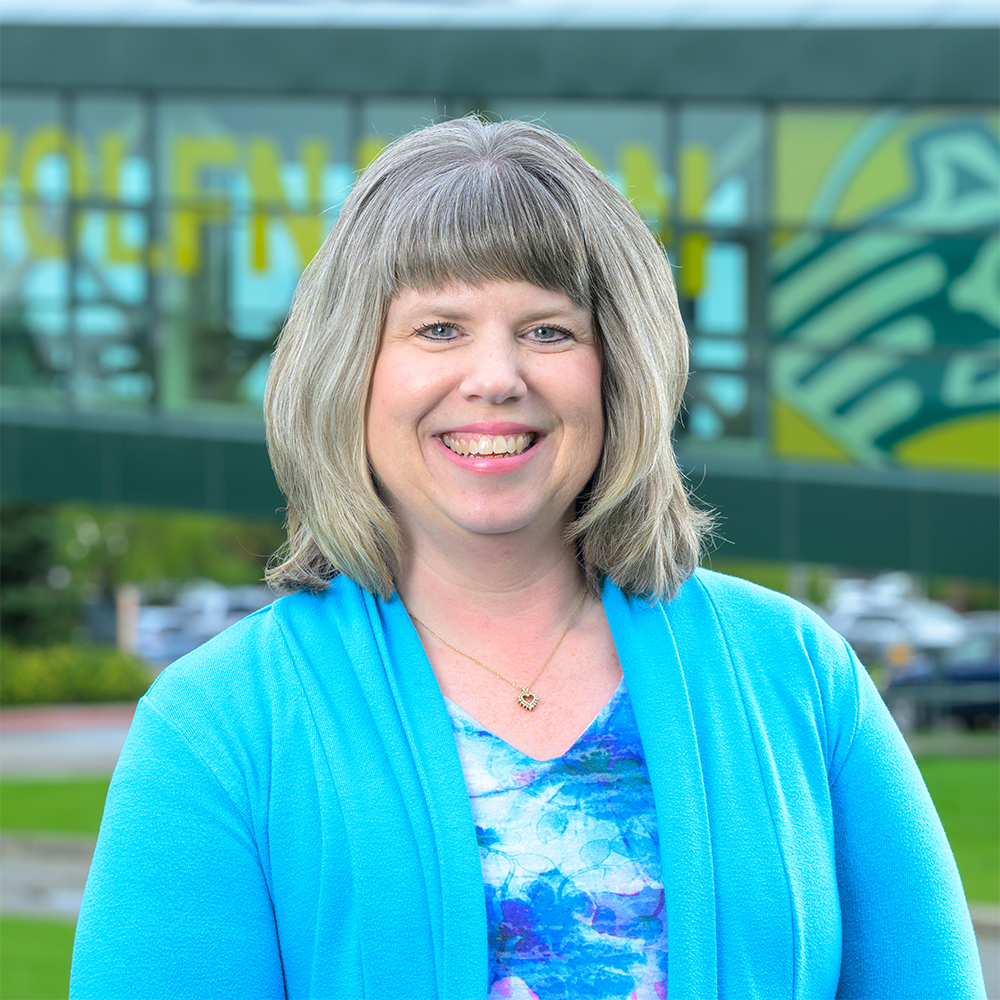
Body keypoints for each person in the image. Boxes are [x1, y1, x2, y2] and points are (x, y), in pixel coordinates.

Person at [70, 117, 985, 1000]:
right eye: (439, 329)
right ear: (350, 369)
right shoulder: (221, 727)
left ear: (617, 369)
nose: (497, 376)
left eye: (550, 330)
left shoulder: (793, 675)